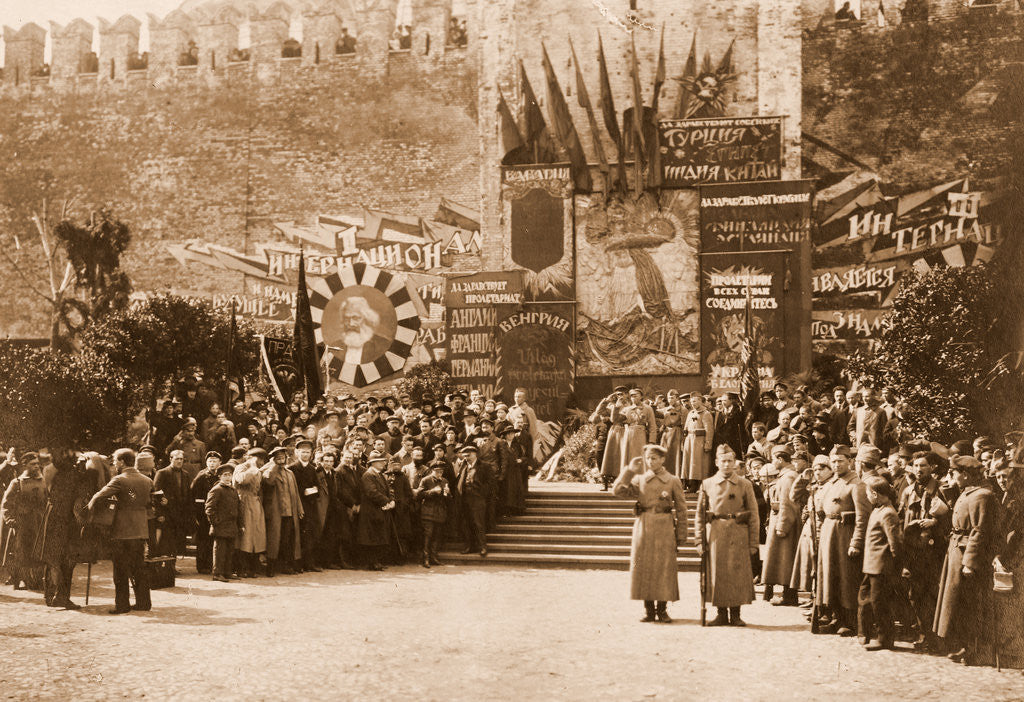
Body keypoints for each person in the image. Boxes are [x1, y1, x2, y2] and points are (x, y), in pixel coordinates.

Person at [933, 455, 999, 665]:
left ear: (966, 474)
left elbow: (980, 531)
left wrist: (970, 561)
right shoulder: (968, 492)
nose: (951, 477)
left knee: (971, 605)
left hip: (967, 555)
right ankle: (965, 646)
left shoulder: (982, 495)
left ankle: (976, 650)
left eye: (954, 473)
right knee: (959, 604)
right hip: (956, 551)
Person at [613, 444, 688, 623]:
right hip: (644, 525)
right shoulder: (640, 480)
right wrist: (629, 471)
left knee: (663, 569)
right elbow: (617, 491)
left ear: (663, 459)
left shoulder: (672, 480)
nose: (650, 461)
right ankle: (648, 610)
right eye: (647, 458)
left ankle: (662, 610)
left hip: (664, 526)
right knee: (644, 568)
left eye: (654, 458)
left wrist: (681, 535)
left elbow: (682, 509)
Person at [695, 444, 759, 626]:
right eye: (723, 461)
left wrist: (753, 542)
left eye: (730, 461)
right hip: (716, 533)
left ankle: (736, 614)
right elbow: (700, 514)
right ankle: (721, 613)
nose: (727, 465)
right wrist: (699, 540)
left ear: (735, 463)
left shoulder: (745, 484)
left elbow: (754, 514)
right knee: (718, 573)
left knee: (736, 573)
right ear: (716, 463)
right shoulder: (707, 484)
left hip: (738, 533)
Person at [87, 448, 153, 614]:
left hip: (122, 531)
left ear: (123, 462)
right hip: (140, 529)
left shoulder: (120, 480)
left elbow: (98, 497)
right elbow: (146, 500)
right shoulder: (147, 480)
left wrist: (89, 510)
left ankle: (122, 605)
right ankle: (143, 603)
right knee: (139, 568)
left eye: (116, 461)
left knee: (121, 570)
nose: (114, 464)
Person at [899, 450, 950, 651]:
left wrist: (935, 521)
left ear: (932, 468)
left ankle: (938, 639)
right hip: (913, 551)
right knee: (915, 594)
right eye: (916, 465)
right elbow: (902, 517)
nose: (919, 470)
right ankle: (924, 634)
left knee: (934, 594)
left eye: (923, 466)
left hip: (934, 551)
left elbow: (953, 519)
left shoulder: (941, 489)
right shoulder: (908, 491)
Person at [817, 444, 870, 636]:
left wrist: (856, 542)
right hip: (829, 534)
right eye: (833, 461)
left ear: (850, 461)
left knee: (847, 579)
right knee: (831, 577)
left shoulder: (856, 485)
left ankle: (849, 621)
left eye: (840, 461)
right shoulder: (833, 483)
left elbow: (863, 517)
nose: (837, 464)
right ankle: (836, 617)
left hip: (845, 536)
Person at [859, 475, 903, 650]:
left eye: (868, 493)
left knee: (880, 603)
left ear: (875, 494)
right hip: (871, 565)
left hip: (881, 567)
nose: (867, 497)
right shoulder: (878, 510)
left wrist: (896, 566)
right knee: (866, 600)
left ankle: (885, 639)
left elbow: (895, 543)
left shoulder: (888, 513)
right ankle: (867, 633)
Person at [41, 454, 87, 609]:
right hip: (68, 523)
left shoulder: (53, 475)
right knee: (67, 560)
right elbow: (78, 507)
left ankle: (49, 595)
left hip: (52, 519)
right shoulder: (77, 477)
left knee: (52, 558)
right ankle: (62, 596)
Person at [1, 452, 47, 591]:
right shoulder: (17, 483)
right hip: (22, 523)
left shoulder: (43, 481)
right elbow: (6, 504)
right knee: (21, 552)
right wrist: (10, 520)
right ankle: (21, 579)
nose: (36, 466)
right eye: (33, 464)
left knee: (38, 551)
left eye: (38, 464)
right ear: (24, 465)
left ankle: (36, 579)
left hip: (39, 522)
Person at [762, 444, 801, 606]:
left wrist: (782, 526)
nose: (772, 462)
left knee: (785, 560)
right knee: (784, 560)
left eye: (773, 459)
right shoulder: (787, 475)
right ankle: (788, 594)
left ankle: (789, 596)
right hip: (783, 520)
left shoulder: (787, 477)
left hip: (785, 523)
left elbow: (787, 503)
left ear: (780, 459)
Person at [261, 446, 302, 576]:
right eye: (277, 458)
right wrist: (274, 465)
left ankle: (286, 566)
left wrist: (299, 508)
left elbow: (295, 493)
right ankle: (270, 567)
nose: (281, 459)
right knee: (273, 541)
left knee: (287, 540)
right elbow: (268, 481)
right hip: (275, 513)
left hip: (290, 512)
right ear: (273, 459)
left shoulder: (290, 473)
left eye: (282, 457)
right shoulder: (269, 471)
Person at [206, 463, 244, 582]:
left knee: (229, 550)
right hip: (221, 527)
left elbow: (238, 508)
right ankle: (217, 573)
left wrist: (240, 524)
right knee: (220, 551)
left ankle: (227, 572)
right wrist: (216, 522)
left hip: (232, 526)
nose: (228, 477)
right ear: (220, 477)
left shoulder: (233, 490)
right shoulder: (217, 490)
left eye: (230, 475)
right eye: (225, 475)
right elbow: (209, 509)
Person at [232, 449, 267, 578]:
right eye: (258, 459)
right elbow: (241, 480)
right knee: (244, 537)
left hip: (255, 504)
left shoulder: (258, 470)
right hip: (244, 503)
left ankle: (253, 567)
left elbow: (259, 489)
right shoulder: (241, 467)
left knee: (256, 536)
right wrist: (252, 467)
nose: (261, 462)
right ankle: (241, 568)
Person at [357, 451, 394, 570]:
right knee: (372, 538)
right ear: (373, 463)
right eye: (380, 461)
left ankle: (376, 562)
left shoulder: (380, 475)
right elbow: (372, 492)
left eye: (383, 461)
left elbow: (388, 490)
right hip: (371, 511)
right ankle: (372, 563)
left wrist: (391, 500)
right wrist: (387, 501)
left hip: (379, 510)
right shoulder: (368, 475)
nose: (383, 463)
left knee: (378, 537)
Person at [331, 296, 392, 365]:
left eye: (356, 318)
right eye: (346, 318)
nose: (351, 324)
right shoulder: (335, 346)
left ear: (366, 319)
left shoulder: (382, 345)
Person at [152, 450, 191, 557]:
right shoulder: (162, 473)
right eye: (176, 458)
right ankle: (165, 568)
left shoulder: (186, 475)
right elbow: (156, 494)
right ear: (170, 459)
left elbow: (187, 495)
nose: (179, 461)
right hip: (167, 513)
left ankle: (172, 565)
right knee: (166, 542)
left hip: (179, 514)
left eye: (181, 459)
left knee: (177, 541)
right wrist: (159, 514)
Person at [190, 452, 223, 575]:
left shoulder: (221, 475)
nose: (212, 463)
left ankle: (212, 564)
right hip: (203, 513)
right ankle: (202, 565)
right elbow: (194, 496)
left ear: (220, 462)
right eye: (210, 461)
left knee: (214, 539)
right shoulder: (201, 476)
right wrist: (197, 515)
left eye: (215, 461)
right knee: (203, 539)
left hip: (218, 512)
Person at [455, 443, 490, 557]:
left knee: (479, 524)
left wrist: (482, 494)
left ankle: (483, 547)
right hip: (465, 500)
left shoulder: (484, 466)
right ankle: (470, 546)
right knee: (467, 524)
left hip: (478, 500)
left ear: (475, 454)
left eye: (468, 455)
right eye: (465, 456)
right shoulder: (464, 467)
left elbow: (490, 484)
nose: (466, 458)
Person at [413, 460, 449, 567]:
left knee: (437, 536)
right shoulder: (426, 480)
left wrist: (447, 493)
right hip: (428, 512)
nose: (439, 473)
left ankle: (434, 557)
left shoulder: (444, 481)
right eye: (437, 471)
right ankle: (426, 559)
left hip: (440, 512)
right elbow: (418, 495)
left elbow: (449, 499)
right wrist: (432, 491)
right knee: (428, 536)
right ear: (432, 470)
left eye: (441, 471)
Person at [682, 393, 714, 492]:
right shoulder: (690, 413)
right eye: (691, 402)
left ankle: (698, 485)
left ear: (700, 401)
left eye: (695, 401)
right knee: (689, 463)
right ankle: (689, 483)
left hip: (699, 441)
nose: (693, 403)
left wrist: (708, 444)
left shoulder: (705, 413)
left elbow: (709, 430)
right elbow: (686, 427)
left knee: (698, 464)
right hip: (689, 440)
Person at [597, 389, 627, 489]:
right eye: (617, 394)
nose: (620, 396)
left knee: (621, 456)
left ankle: (619, 481)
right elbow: (599, 411)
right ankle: (605, 481)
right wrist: (606, 400)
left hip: (624, 432)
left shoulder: (629, 405)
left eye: (622, 394)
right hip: (611, 433)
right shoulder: (611, 406)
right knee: (606, 457)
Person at [165, 417, 206, 484]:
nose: (190, 434)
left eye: (192, 431)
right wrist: (175, 442)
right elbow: (167, 452)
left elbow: (204, 464)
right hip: (182, 471)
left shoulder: (200, 445)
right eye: (188, 431)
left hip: (195, 472)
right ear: (183, 432)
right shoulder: (178, 444)